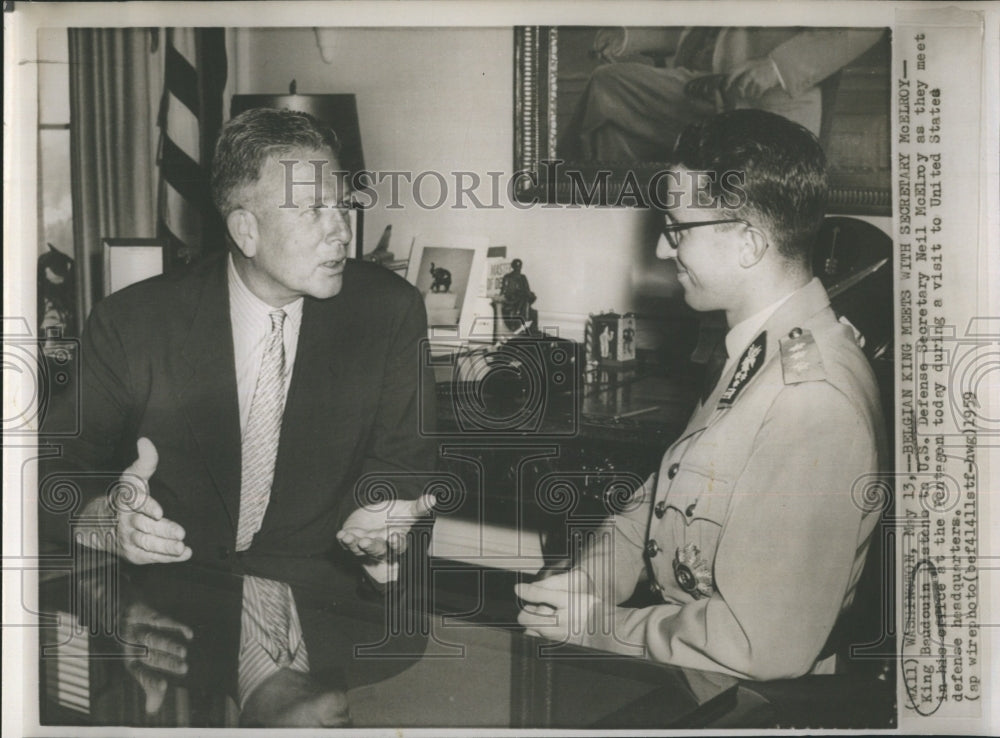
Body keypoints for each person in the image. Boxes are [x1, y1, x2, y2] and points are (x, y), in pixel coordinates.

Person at [41, 108, 436, 712]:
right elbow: (45, 479)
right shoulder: (133, 324)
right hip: (167, 615)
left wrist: (382, 521)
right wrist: (105, 521)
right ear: (245, 231)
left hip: (328, 599)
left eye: (342, 204)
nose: (342, 232)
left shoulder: (388, 312)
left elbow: (405, 468)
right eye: (312, 211)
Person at [517, 109, 888, 680]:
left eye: (676, 229)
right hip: (695, 665)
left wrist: (597, 627)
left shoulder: (809, 399)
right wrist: (588, 581)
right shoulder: (754, 349)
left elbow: (758, 645)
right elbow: (661, 499)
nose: (665, 252)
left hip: (756, 701)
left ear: (748, 243)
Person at [561, 26, 884, 161]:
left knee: (607, 83)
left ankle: (552, 177)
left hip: (769, 104)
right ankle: (606, 231)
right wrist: (627, 38)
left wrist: (778, 68)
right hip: (701, 90)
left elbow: (869, 23)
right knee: (610, 130)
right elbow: (691, 30)